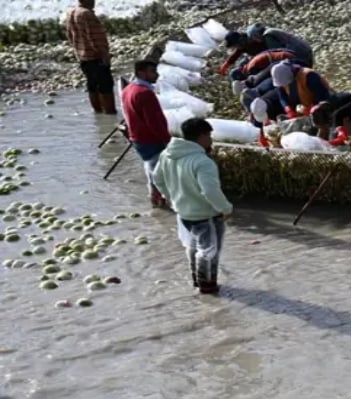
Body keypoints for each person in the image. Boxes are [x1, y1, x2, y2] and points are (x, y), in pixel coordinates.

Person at [151, 118, 233, 295]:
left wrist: (171, 197)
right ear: (201, 136)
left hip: (183, 213)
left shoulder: (167, 154)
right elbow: (210, 191)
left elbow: (157, 178)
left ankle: (197, 281)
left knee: (194, 246)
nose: (211, 140)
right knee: (208, 250)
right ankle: (208, 287)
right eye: (209, 136)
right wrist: (225, 208)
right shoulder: (202, 162)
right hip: (205, 214)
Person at [121, 60, 171, 208]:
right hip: (150, 139)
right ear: (142, 73)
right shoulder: (145, 94)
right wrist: (167, 140)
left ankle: (155, 200)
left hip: (137, 137)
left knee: (150, 167)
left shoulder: (128, 89)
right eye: (152, 71)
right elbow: (155, 122)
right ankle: (160, 200)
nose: (156, 75)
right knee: (157, 172)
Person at [64, 0, 114, 115]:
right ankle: (110, 114)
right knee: (105, 86)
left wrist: (77, 51)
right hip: (96, 57)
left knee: (92, 85)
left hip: (83, 57)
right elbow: (95, 38)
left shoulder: (71, 13)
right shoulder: (87, 14)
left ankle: (98, 112)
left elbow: (70, 36)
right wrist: (104, 54)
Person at [249, 25, 315, 67]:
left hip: (299, 53)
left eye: (254, 38)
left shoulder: (268, 36)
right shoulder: (271, 30)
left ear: (256, 35)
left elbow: (278, 52)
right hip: (305, 48)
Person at [228, 48, 296, 87]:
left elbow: (264, 77)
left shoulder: (251, 69)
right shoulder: (249, 63)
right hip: (286, 53)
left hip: (287, 60)